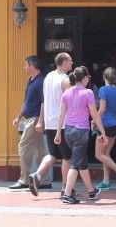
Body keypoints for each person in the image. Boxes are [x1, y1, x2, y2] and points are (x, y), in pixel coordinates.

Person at [55, 65, 108, 204]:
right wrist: (103, 132)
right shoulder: (88, 93)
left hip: (68, 131)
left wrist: (58, 132)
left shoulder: (66, 93)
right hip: (81, 131)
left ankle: (91, 191)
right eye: (88, 77)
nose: (89, 79)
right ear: (84, 78)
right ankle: (67, 194)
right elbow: (95, 115)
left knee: (81, 162)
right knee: (75, 164)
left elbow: (61, 114)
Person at [28, 52, 73, 197]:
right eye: (70, 61)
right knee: (67, 157)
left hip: (50, 122)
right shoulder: (65, 80)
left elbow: (44, 101)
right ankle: (66, 188)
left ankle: (37, 175)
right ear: (64, 62)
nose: (72, 63)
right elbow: (70, 102)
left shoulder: (48, 77)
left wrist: (41, 120)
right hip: (63, 123)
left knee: (53, 154)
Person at [9, 56, 51, 190]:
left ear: (32, 66)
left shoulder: (40, 82)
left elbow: (44, 102)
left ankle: (24, 180)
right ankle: (45, 181)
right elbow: (26, 101)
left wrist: (40, 121)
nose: (24, 67)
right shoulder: (31, 81)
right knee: (39, 151)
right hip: (29, 119)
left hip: (34, 120)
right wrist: (18, 116)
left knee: (23, 147)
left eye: (26, 65)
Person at [94, 67, 116, 190]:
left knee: (99, 154)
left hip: (105, 126)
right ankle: (106, 181)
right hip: (115, 125)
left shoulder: (103, 90)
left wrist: (94, 119)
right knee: (106, 153)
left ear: (104, 77)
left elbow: (102, 108)